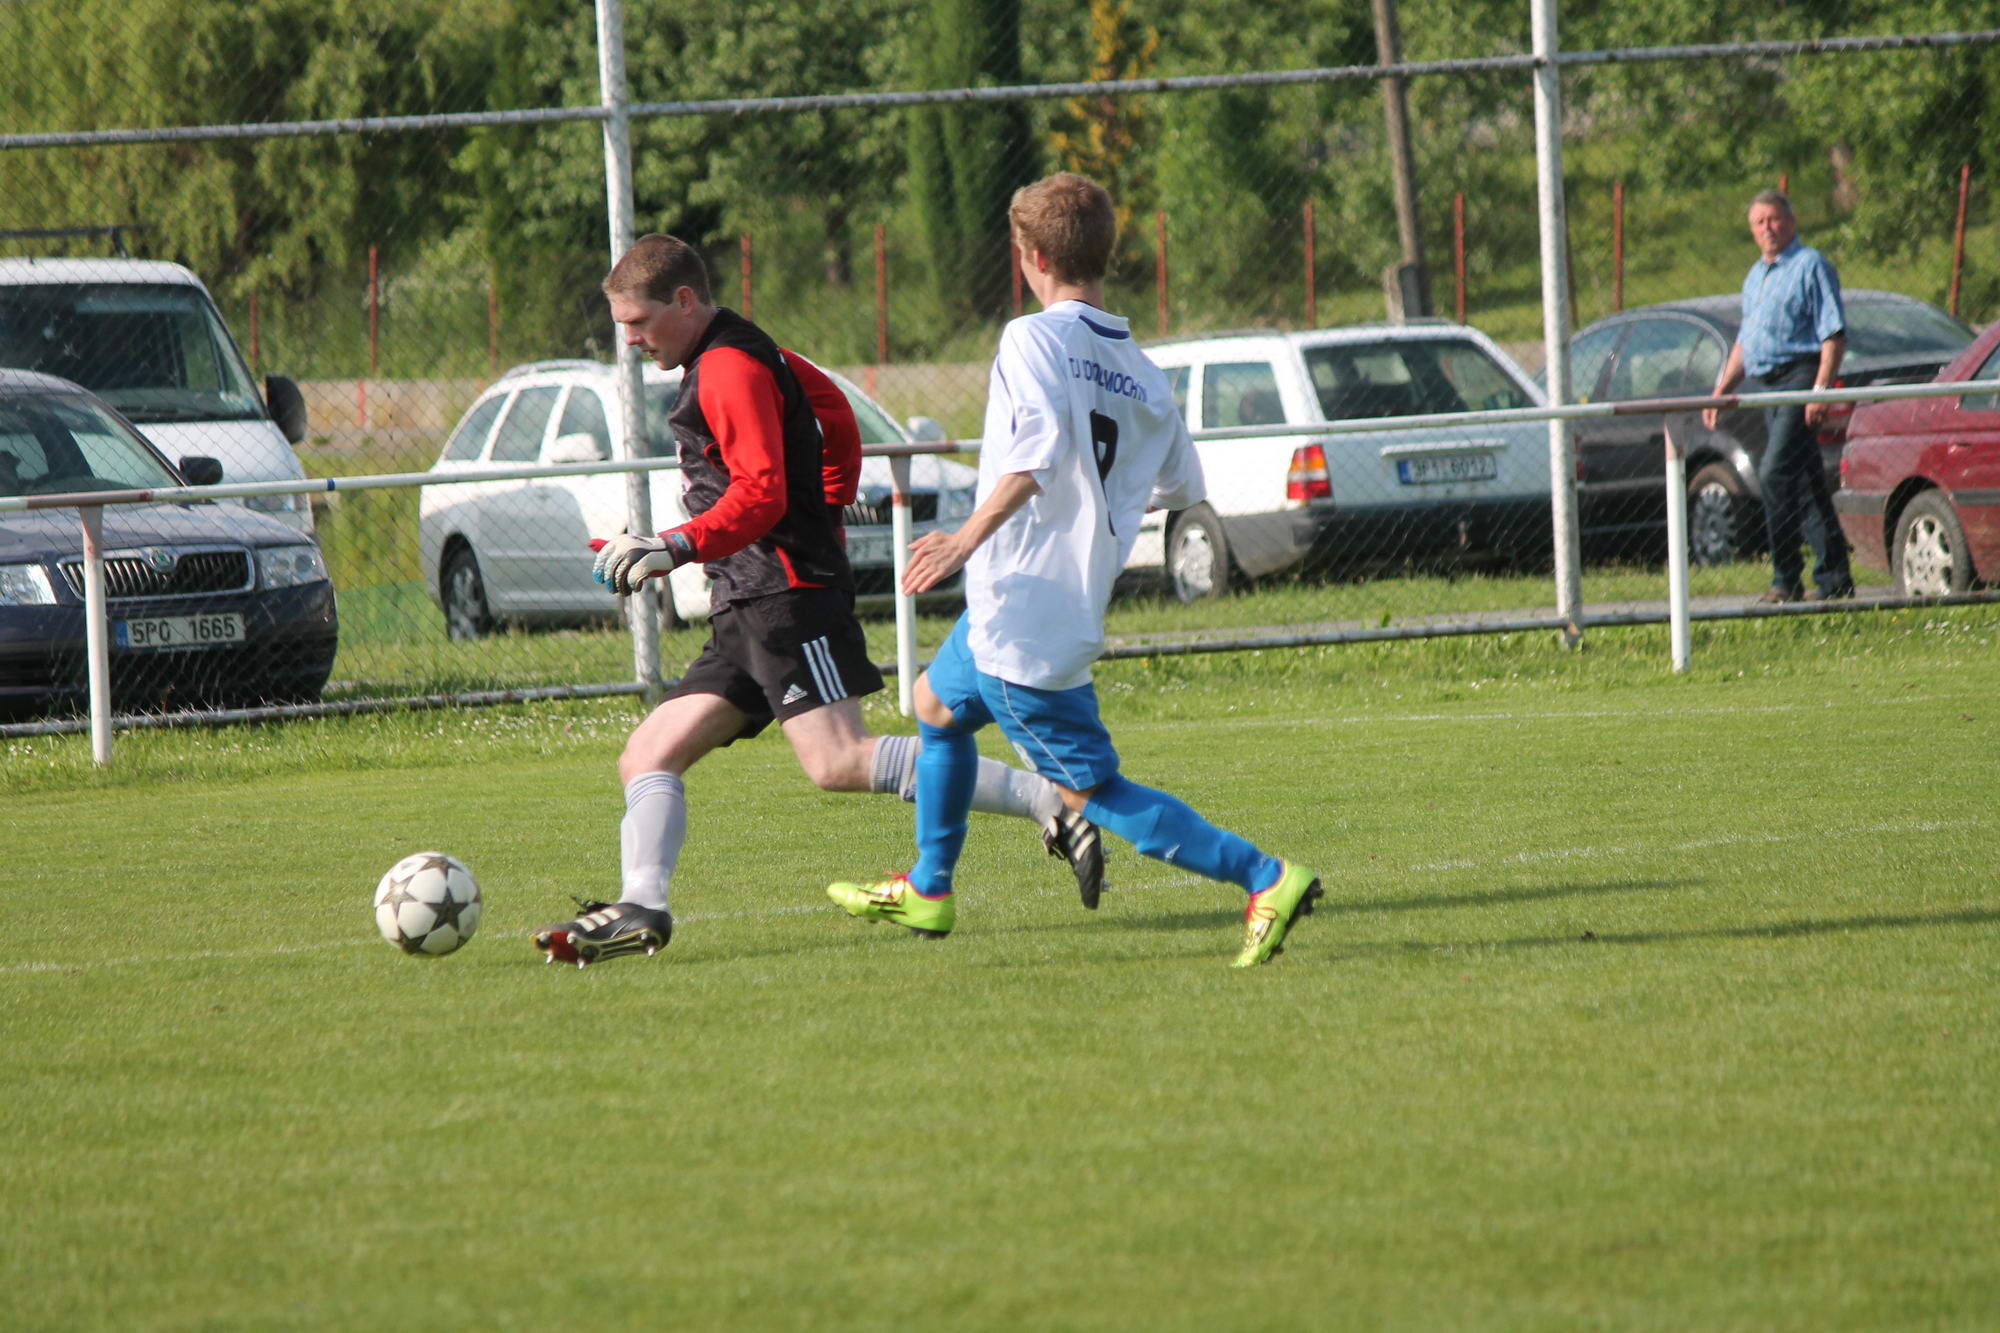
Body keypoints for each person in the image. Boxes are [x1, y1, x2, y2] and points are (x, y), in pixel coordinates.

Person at [534, 233, 1103, 968]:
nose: (631, 339)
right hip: (746, 597)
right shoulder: (747, 351)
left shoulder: (729, 366)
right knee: (648, 753)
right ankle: (643, 903)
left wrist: (679, 544)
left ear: (684, 300)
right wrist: (827, 505)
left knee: (838, 760)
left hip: (786, 597)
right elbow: (832, 411)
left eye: (639, 322)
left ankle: (1050, 801)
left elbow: (762, 493)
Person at [826, 174, 1321, 968]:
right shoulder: (1144, 371)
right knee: (935, 706)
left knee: (1095, 792)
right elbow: (1180, 488)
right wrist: (1096, 508)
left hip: (1024, 619)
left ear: (1035, 257)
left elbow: (1036, 456)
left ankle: (1266, 876)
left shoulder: (1032, 339)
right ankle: (929, 887)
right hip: (1037, 604)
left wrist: (964, 540)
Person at [1702, 189, 1855, 603]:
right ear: (1752, 230)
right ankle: (1835, 578)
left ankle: (1785, 579)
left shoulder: (1810, 265)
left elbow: (1833, 334)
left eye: (1774, 219)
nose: (1768, 228)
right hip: (1766, 387)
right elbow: (1747, 341)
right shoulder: (1756, 276)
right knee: (1804, 482)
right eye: (1759, 222)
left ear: (1791, 221)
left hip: (1799, 378)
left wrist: (1820, 390)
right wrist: (1721, 390)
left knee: (1773, 473)